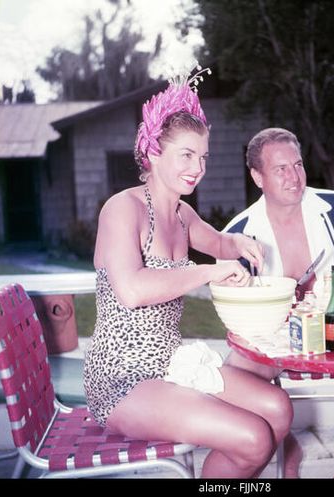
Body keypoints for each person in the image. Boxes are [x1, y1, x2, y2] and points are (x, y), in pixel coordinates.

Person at [83, 72, 294, 479]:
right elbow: (131, 290)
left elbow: (219, 243)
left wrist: (240, 244)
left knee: (278, 409)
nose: (198, 168)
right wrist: (210, 271)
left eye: (203, 157)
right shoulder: (121, 209)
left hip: (171, 362)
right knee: (253, 436)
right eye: (186, 155)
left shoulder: (182, 214)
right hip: (122, 378)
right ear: (153, 153)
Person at [222, 127, 334, 477]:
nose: (294, 177)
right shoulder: (238, 234)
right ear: (257, 176)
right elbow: (239, 317)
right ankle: (281, 443)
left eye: (298, 165)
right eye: (280, 169)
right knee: (229, 382)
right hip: (277, 342)